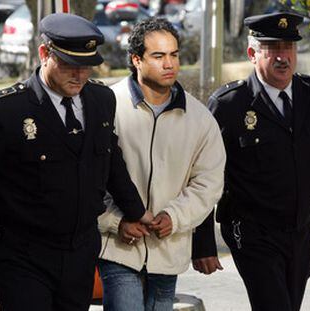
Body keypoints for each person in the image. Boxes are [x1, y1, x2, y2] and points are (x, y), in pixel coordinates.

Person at [0, 13, 152, 311]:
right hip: (23, 255)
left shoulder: (100, 100)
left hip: (80, 253)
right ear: (44, 54)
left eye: (86, 66)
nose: (79, 75)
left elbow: (110, 160)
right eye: (69, 65)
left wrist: (135, 211)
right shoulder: (5, 111)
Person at [198, 11, 310, 311]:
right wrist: (202, 243)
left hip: (302, 230)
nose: (282, 56)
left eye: (288, 47)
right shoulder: (229, 106)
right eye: (272, 48)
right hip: (251, 232)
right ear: (252, 53)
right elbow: (202, 175)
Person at [97, 17, 226, 311]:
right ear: (136, 60)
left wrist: (174, 217)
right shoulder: (106, 104)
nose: (169, 64)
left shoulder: (200, 118)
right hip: (117, 248)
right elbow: (90, 175)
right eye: (158, 56)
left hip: (169, 250)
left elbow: (208, 182)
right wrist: (116, 222)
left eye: (174, 55)